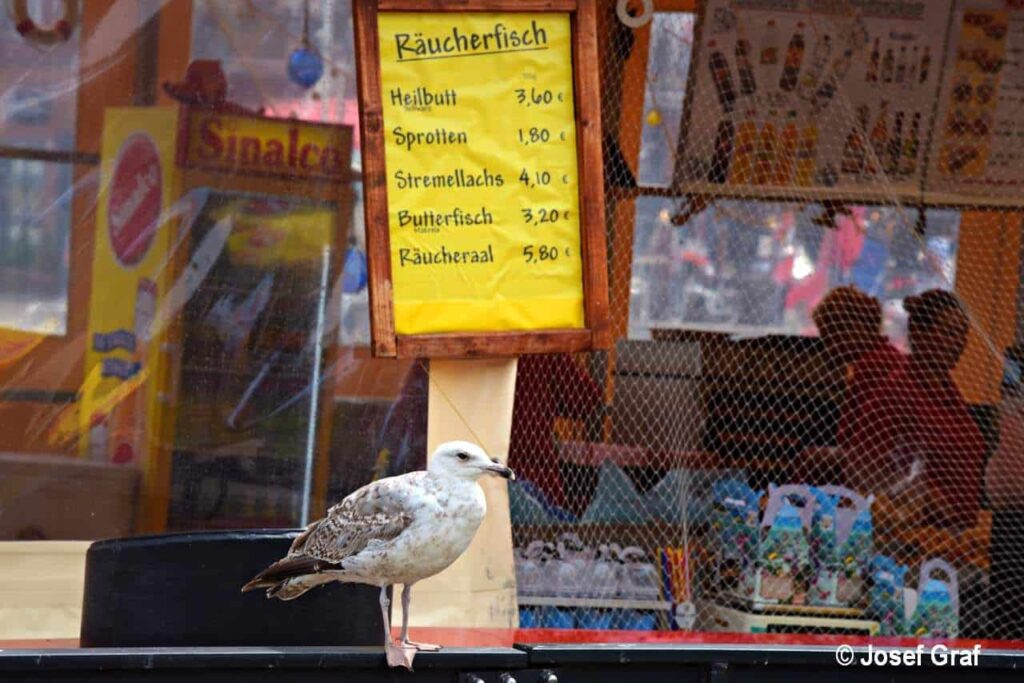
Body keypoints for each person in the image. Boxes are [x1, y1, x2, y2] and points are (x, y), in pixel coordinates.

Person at [871, 290, 985, 530]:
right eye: (950, 332)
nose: (960, 343)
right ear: (919, 334)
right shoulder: (898, 391)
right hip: (917, 536)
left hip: (957, 537)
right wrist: (933, 501)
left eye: (963, 334)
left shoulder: (949, 392)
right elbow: (872, 469)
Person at [797, 285, 904, 485]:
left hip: (880, 473)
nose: (828, 346)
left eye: (830, 335)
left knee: (809, 459)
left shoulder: (874, 366)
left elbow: (865, 447)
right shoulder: (886, 358)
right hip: (882, 467)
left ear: (854, 328)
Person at [507, 354, 604, 510]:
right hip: (535, 475)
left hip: (478, 471)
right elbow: (586, 400)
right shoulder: (540, 345)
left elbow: (585, 399)